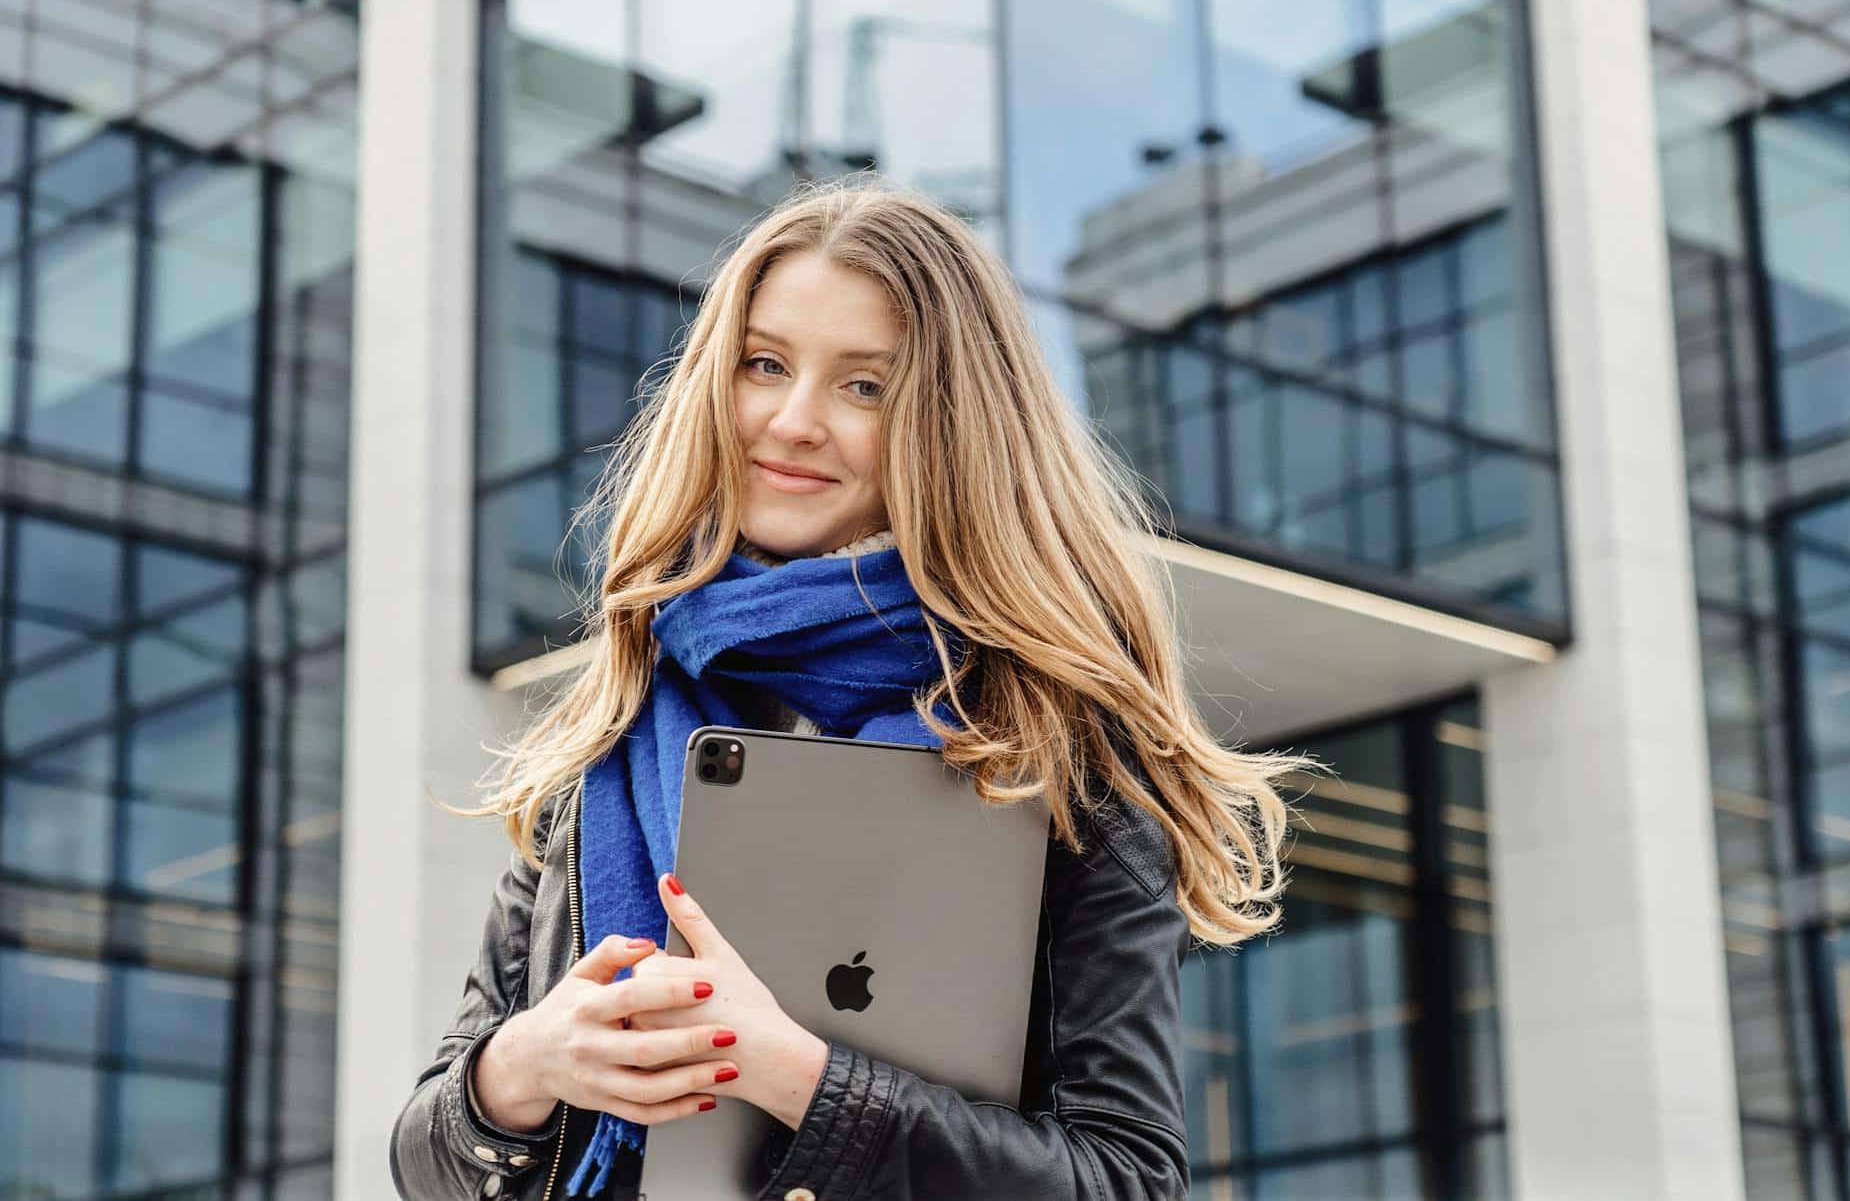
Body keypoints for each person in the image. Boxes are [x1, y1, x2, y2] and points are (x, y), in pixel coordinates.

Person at [388, 174, 1306, 1201]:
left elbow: (1124, 1179)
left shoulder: (1055, 745)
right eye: (763, 365)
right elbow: (424, 1157)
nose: (791, 421)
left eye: (862, 386)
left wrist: (794, 1077)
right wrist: (520, 1068)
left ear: (952, 426)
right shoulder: (615, 720)